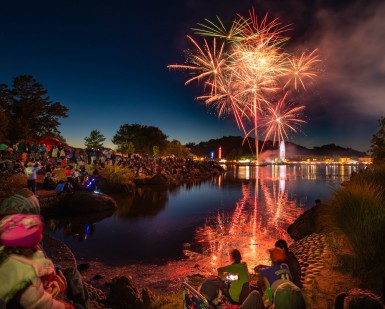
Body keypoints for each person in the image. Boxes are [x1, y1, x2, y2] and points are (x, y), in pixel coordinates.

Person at [0, 214, 74, 308]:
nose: (39, 247)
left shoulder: (8, 256)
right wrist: (65, 307)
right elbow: (41, 304)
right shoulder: (23, 273)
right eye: (36, 242)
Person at [199, 276, 264, 309]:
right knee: (255, 294)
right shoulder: (219, 306)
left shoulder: (205, 302)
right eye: (220, 290)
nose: (221, 296)